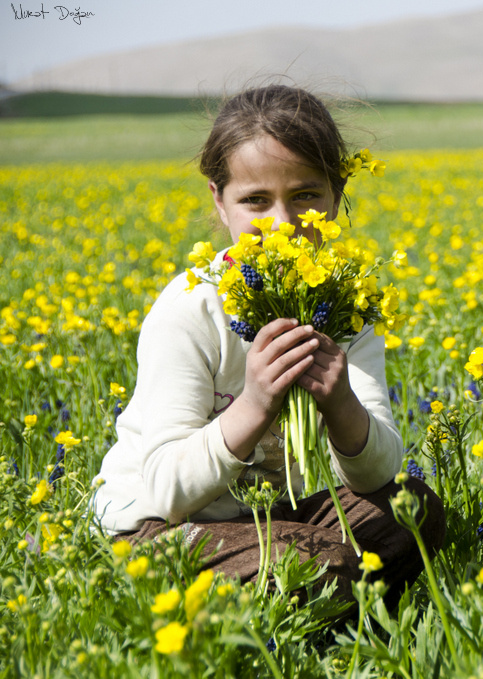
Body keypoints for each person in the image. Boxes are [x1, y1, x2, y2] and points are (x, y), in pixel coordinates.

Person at [91, 84, 444, 609]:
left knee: (413, 509)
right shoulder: (192, 308)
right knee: (318, 562)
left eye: (305, 194)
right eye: (255, 200)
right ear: (219, 199)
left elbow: (376, 473)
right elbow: (165, 489)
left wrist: (341, 401)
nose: (283, 224)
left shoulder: (346, 306)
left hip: (275, 517)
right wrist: (255, 403)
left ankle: (318, 583)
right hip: (161, 527)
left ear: (338, 190)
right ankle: (327, 589)